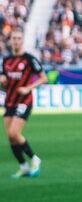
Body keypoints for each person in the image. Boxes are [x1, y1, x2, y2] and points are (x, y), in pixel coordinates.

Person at [1, 29, 48, 178]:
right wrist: (2, 83)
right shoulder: (6, 61)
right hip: (10, 101)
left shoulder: (29, 59)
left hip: (24, 101)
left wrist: (28, 88)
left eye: (18, 38)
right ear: (10, 41)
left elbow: (43, 78)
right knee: (10, 137)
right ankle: (23, 166)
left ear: (22, 41)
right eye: (13, 38)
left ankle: (35, 159)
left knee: (15, 133)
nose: (15, 41)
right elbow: (4, 83)